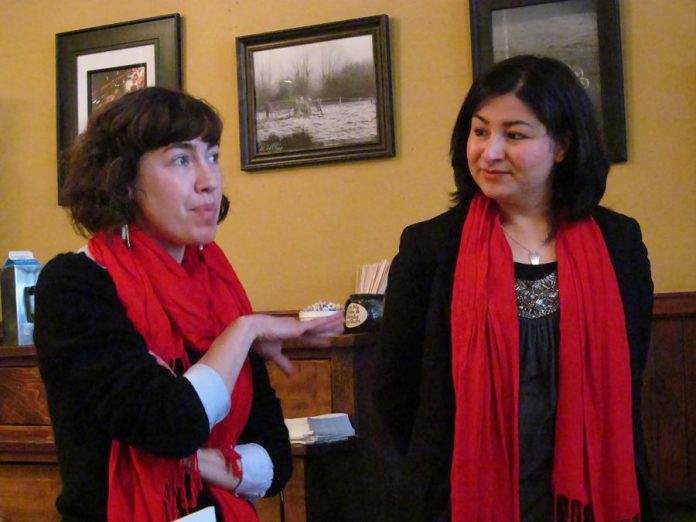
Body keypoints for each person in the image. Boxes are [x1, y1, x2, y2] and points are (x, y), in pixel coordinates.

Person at [34, 86, 344, 522]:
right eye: (182, 160)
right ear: (124, 182)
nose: (209, 179)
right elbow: (172, 424)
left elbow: (275, 462)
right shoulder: (75, 285)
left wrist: (192, 459)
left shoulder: (219, 290)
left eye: (212, 156)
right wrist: (245, 331)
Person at [375, 55, 655, 522]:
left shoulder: (618, 243)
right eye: (480, 131)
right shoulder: (429, 247)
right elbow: (394, 391)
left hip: (588, 496)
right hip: (461, 499)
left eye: (515, 134)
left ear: (563, 145)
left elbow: (629, 375)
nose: (489, 152)